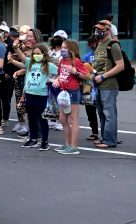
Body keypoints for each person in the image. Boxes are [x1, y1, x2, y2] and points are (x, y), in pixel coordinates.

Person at [52, 38, 90, 156]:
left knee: (73, 119)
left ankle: (74, 146)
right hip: (63, 91)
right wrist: (57, 80)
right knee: (63, 118)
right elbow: (59, 74)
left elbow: (87, 76)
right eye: (62, 47)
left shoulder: (76, 61)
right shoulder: (62, 60)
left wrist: (75, 72)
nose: (63, 50)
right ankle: (67, 144)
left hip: (72, 91)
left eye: (65, 48)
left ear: (71, 49)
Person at [91, 19, 124, 149]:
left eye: (100, 30)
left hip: (109, 85)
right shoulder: (99, 44)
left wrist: (103, 76)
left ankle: (110, 140)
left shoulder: (113, 45)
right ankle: (105, 138)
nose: (97, 32)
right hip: (98, 84)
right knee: (102, 113)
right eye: (96, 29)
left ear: (108, 31)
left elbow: (120, 66)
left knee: (109, 114)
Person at [21, 43, 57, 150]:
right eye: (34, 53)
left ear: (44, 54)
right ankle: (33, 139)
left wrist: (51, 81)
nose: (36, 55)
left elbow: (59, 72)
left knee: (42, 118)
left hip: (42, 95)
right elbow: (22, 57)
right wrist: (15, 48)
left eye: (38, 53)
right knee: (31, 117)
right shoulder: (30, 64)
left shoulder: (48, 65)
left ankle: (44, 141)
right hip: (30, 93)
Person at [82, 36, 100, 141]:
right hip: (88, 88)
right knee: (90, 111)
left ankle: (107, 133)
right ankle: (94, 132)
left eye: (93, 43)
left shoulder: (104, 56)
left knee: (103, 111)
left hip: (101, 86)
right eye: (90, 44)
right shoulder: (86, 57)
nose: (92, 46)